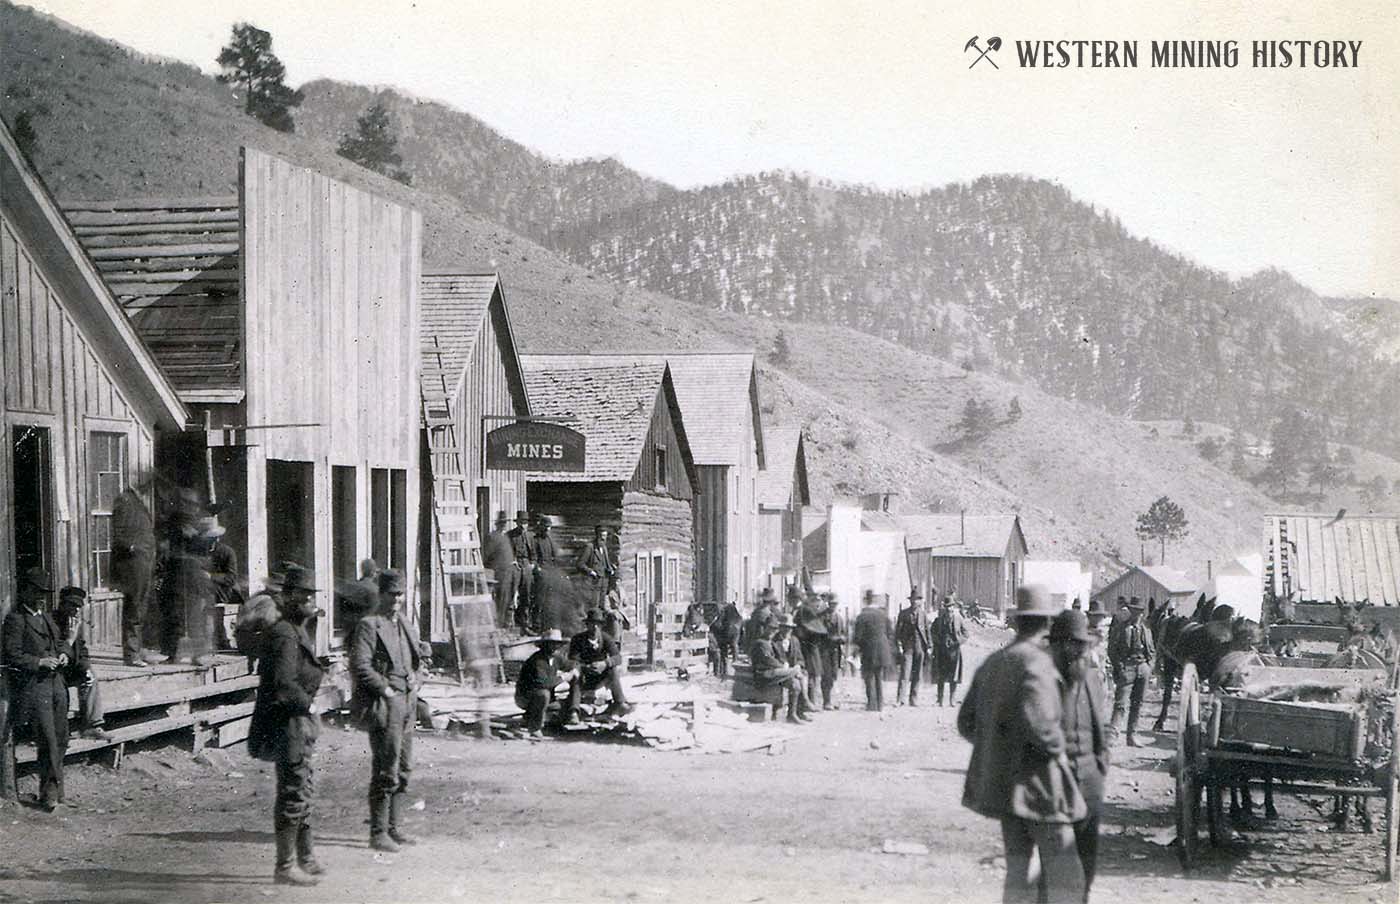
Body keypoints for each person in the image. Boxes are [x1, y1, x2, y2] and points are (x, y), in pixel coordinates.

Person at [957, 584, 1085, 904]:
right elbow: (1042, 729)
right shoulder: (1038, 665)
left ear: (1017, 621)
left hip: (1004, 787)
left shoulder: (993, 662)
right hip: (1041, 788)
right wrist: (1060, 747)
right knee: (1066, 877)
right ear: (1046, 624)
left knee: (1016, 872)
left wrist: (1000, 749)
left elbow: (966, 722)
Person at [247, 564, 325, 886]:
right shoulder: (284, 634)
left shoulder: (296, 630)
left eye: (311, 594)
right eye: (303, 595)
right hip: (288, 723)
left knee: (302, 786)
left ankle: (305, 857)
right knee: (294, 789)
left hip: (299, 723)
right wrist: (312, 703)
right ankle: (285, 867)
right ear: (289, 597)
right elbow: (283, 685)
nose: (309, 600)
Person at [350, 568, 428, 852]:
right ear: (380, 595)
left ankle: (395, 827)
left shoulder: (404, 623)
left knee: (405, 768)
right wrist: (385, 689)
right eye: (391, 594)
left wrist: (416, 680)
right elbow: (360, 665)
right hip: (386, 704)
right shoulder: (369, 625)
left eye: (400, 594)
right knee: (386, 768)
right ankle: (378, 832)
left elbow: (415, 660)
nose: (396, 600)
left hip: (407, 703)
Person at [1049, 609, 1110, 902]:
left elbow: (1101, 724)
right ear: (1059, 645)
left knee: (1086, 864)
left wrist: (1101, 765)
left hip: (1090, 783)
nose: (1080, 651)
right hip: (1053, 786)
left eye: (1084, 645)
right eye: (1075, 644)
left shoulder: (1092, 679)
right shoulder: (1040, 681)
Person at [3, 568, 71, 810]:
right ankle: (50, 794)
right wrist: (38, 662)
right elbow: (12, 655)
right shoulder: (16, 620)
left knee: (62, 738)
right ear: (25, 591)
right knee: (49, 740)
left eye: (44, 593)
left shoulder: (48, 618)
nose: (41, 597)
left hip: (57, 685)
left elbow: (62, 642)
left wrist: (63, 653)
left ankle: (56, 790)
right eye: (37, 592)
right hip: (36, 687)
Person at [54, 587, 107, 740]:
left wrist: (85, 668)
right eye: (72, 605)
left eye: (78, 606)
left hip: (70, 669)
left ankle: (92, 725)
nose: (75, 610)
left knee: (91, 678)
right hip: (54, 669)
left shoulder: (75, 623)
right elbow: (55, 652)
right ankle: (60, 730)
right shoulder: (50, 622)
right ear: (62, 604)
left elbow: (82, 650)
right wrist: (70, 637)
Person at [111, 483, 155, 666]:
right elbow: (117, 533)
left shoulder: (139, 502)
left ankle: (138, 649)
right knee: (134, 608)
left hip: (144, 563)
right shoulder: (125, 500)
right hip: (132, 564)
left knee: (142, 608)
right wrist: (133, 547)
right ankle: (131, 654)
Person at [563, 609, 633, 723]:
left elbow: (618, 657)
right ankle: (574, 711)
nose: (595, 627)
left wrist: (605, 663)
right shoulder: (578, 639)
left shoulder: (606, 638)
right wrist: (586, 667)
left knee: (613, 669)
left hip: (601, 677)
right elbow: (573, 661)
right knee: (575, 673)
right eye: (592, 623)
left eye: (598, 624)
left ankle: (620, 703)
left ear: (601, 625)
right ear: (587, 625)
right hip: (584, 677)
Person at [1107, 595, 1154, 746]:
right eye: (1134, 611)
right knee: (1121, 703)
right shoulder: (1121, 628)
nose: (1137, 614)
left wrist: (1149, 666)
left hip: (1143, 668)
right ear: (1130, 611)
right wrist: (1119, 667)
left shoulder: (1146, 630)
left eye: (1140, 611)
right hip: (1127, 667)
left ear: (1143, 613)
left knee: (1137, 703)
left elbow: (1152, 651)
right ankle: (1112, 736)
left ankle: (1132, 736)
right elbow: (1112, 650)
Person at [749, 616, 811, 724]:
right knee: (797, 672)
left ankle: (792, 714)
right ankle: (806, 700)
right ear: (764, 628)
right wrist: (785, 667)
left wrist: (792, 667)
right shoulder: (762, 643)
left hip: (777, 674)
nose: (772, 632)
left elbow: (798, 658)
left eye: (774, 629)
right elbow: (769, 661)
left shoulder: (776, 641)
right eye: (770, 628)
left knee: (795, 684)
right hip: (765, 675)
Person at [514, 629, 572, 737]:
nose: (555, 647)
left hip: (545, 697)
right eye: (552, 644)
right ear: (544, 645)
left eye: (557, 644)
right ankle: (535, 727)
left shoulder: (556, 657)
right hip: (525, 697)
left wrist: (576, 669)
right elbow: (543, 683)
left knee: (565, 705)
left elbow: (570, 664)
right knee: (543, 694)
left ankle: (532, 718)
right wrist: (563, 677)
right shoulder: (537, 660)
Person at [851, 590, 894, 712]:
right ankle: (880, 704)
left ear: (865, 600)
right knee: (879, 677)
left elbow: (858, 637)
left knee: (868, 677)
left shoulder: (862, 616)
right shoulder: (883, 614)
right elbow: (890, 632)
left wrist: (857, 649)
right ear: (873, 600)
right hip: (882, 650)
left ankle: (871, 704)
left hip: (869, 650)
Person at [894, 588, 931, 707]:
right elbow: (898, 632)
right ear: (910, 601)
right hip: (908, 647)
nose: (915, 602)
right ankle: (901, 699)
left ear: (920, 602)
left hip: (920, 647)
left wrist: (929, 646)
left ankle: (913, 699)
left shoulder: (923, 615)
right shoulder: (904, 614)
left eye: (917, 600)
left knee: (917, 674)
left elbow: (927, 631)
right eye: (913, 600)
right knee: (905, 673)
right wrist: (899, 645)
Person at [931, 594, 971, 706]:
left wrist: (958, 642)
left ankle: (952, 699)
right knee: (941, 676)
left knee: (953, 676)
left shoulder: (959, 619)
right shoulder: (939, 620)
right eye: (947, 606)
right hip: (942, 651)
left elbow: (966, 634)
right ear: (944, 607)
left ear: (954, 607)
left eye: (951, 606)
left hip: (954, 651)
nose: (949, 609)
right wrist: (938, 641)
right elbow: (932, 632)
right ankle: (940, 699)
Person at [794, 594, 828, 706]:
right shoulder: (805, 612)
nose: (818, 605)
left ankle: (811, 701)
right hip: (808, 649)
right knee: (809, 676)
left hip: (811, 648)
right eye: (816, 602)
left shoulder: (806, 612)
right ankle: (808, 702)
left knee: (812, 676)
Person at [337, 558, 380, 644]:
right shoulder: (375, 590)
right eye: (376, 572)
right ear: (372, 573)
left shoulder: (352, 587)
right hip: (368, 634)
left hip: (351, 633)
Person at [507, 511, 536, 631]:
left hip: (526, 566)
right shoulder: (510, 535)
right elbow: (507, 551)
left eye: (525, 523)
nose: (523, 525)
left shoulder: (530, 536)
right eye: (521, 522)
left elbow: (533, 553)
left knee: (526, 594)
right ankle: (509, 622)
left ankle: (523, 622)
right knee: (512, 593)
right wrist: (512, 562)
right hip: (515, 565)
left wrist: (532, 564)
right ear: (517, 522)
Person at [576, 525, 617, 611]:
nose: (604, 539)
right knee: (593, 608)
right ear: (597, 536)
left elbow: (606, 564)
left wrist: (610, 569)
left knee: (602, 607)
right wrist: (591, 572)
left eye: (605, 536)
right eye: (602, 537)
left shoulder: (604, 547)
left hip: (603, 583)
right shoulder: (590, 547)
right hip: (593, 583)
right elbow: (580, 564)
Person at [819, 593, 846, 709]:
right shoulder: (822, 617)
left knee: (835, 675)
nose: (833, 606)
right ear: (828, 604)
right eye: (831, 604)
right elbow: (819, 634)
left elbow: (844, 633)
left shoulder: (839, 618)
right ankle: (826, 701)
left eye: (835, 604)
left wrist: (843, 639)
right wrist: (833, 638)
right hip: (825, 650)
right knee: (826, 676)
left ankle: (833, 700)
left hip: (836, 651)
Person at [711, 599, 743, 679]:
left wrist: (713, 626)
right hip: (735, 628)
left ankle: (724, 668)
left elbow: (719, 622)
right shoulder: (733, 609)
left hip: (728, 630)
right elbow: (740, 619)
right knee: (734, 645)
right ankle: (735, 660)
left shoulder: (724, 610)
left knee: (725, 647)